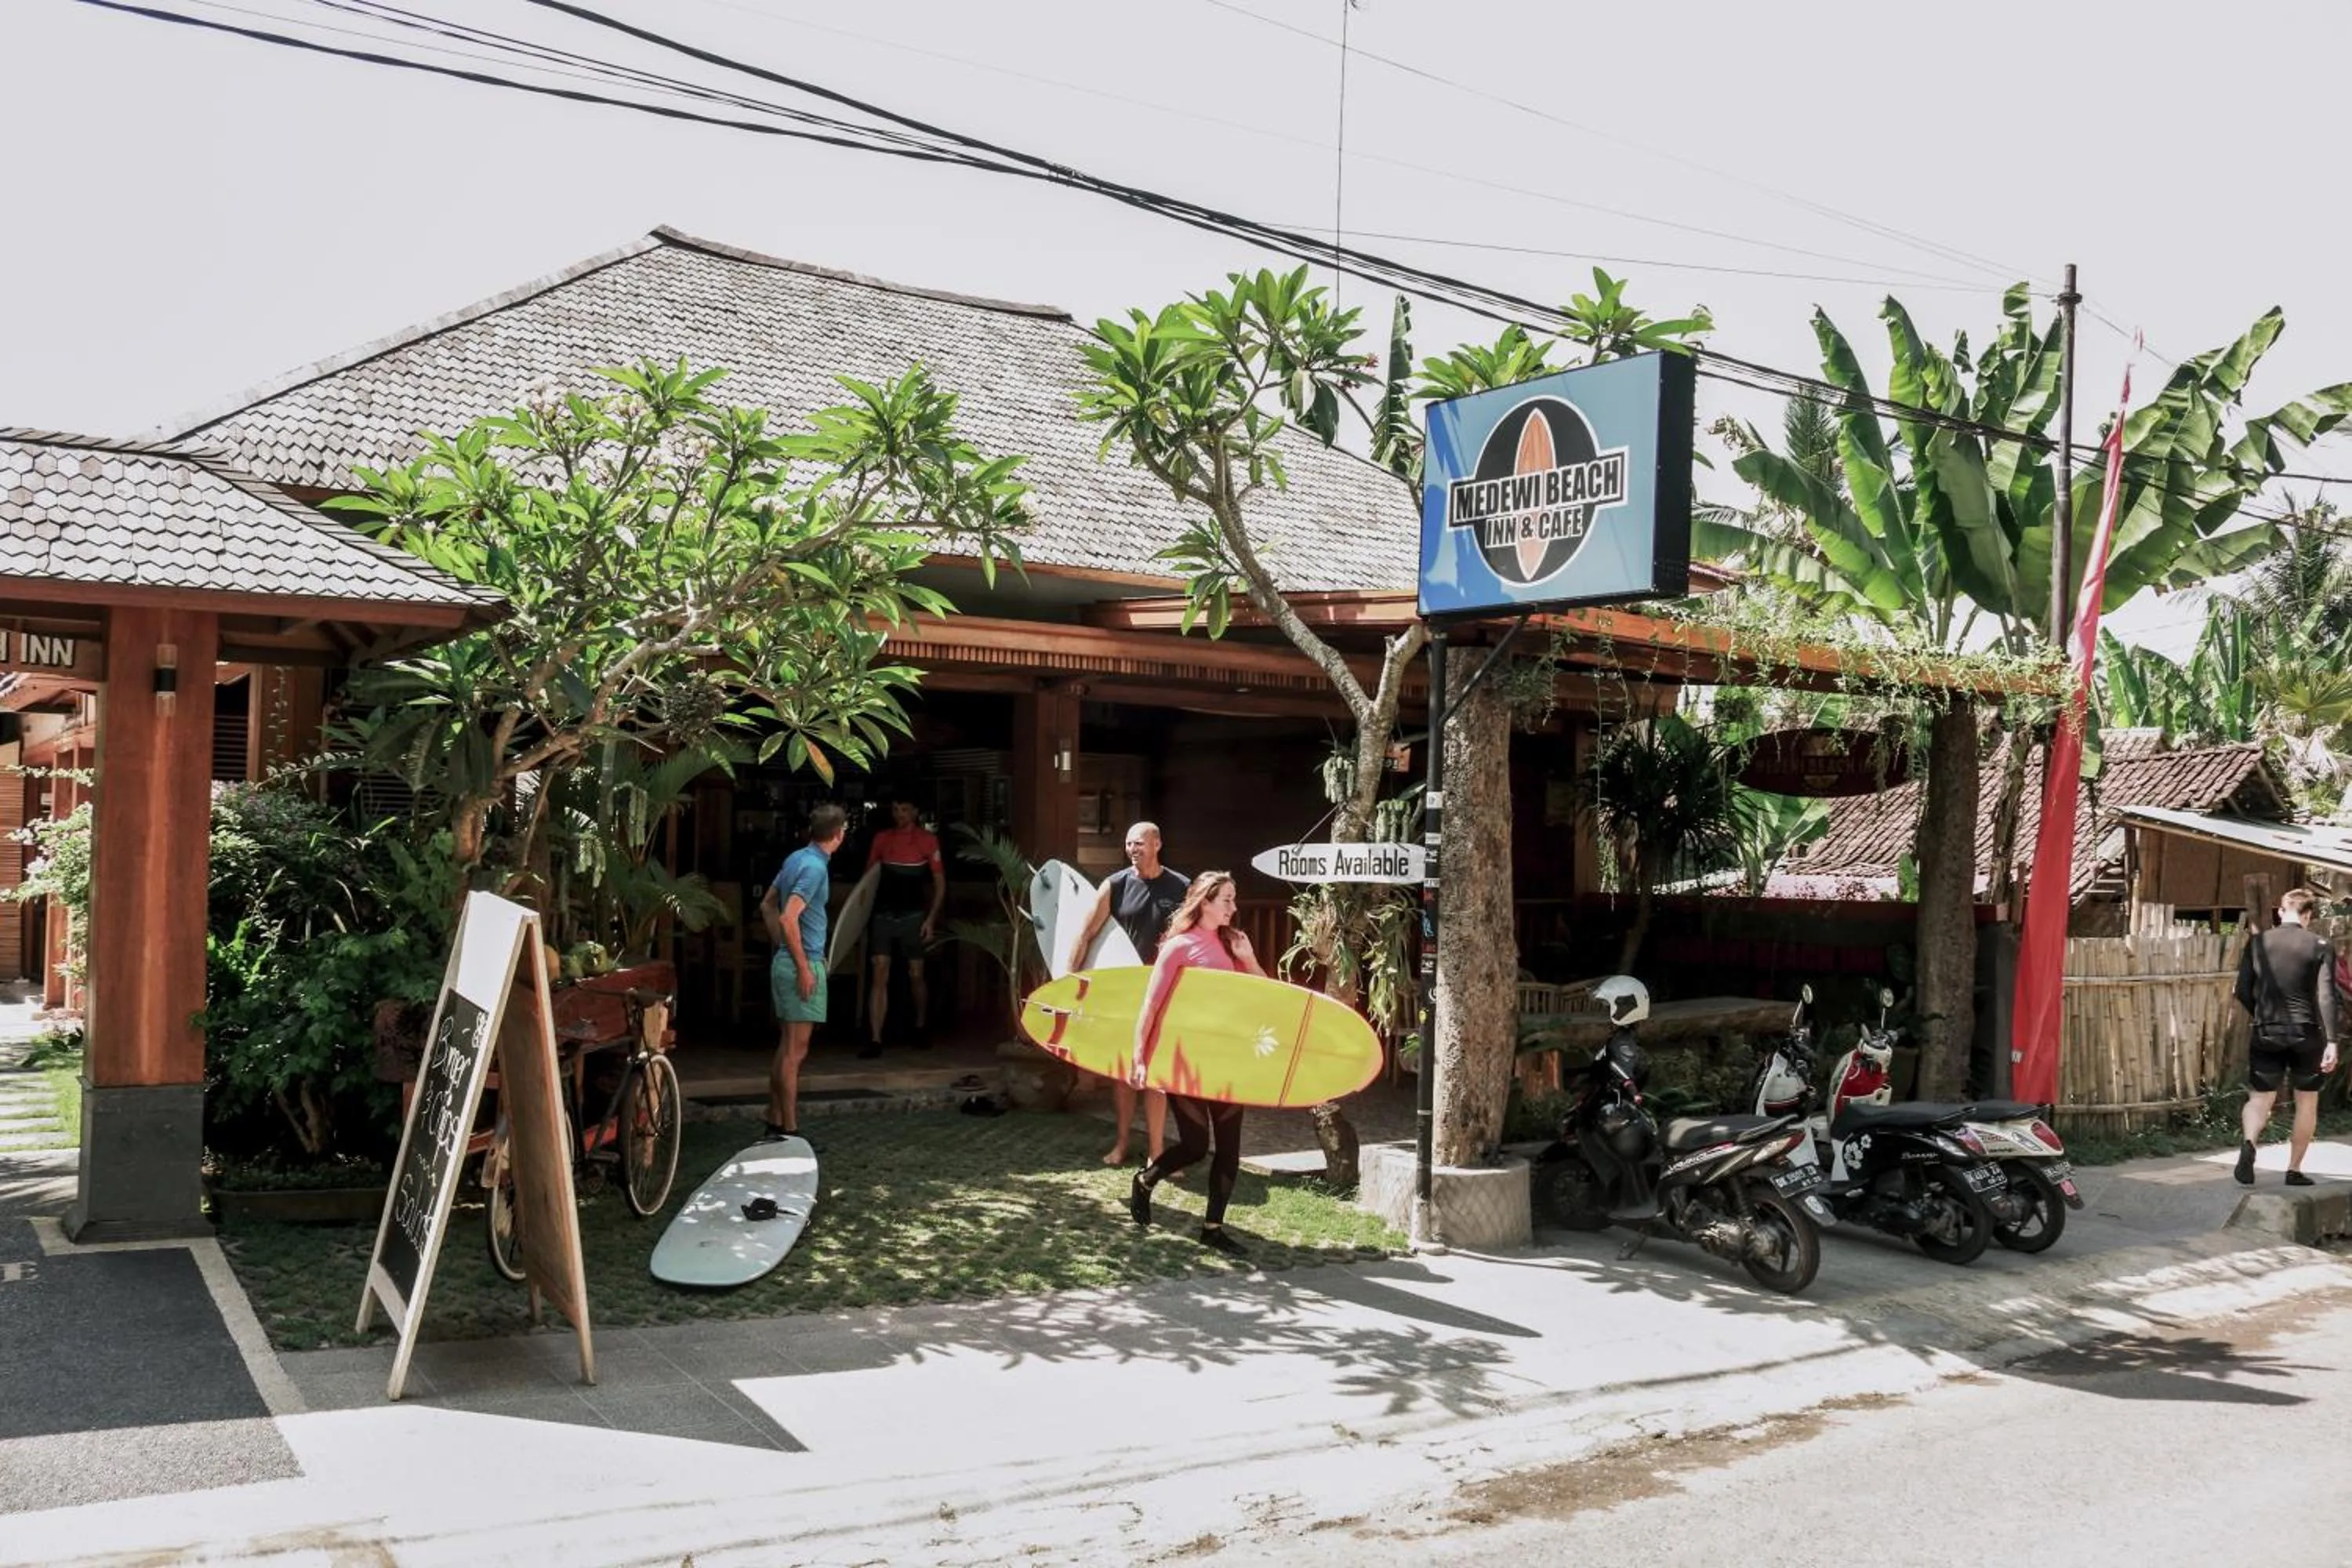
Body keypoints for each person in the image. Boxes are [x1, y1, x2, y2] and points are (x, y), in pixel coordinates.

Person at [1126, 870, 1264, 1257]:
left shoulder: (1230, 944)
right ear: (1205, 902)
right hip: (1185, 1059)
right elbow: (1150, 1004)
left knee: (1230, 1148)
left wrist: (1248, 958)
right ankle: (1146, 1180)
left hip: (1226, 1059)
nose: (1233, 908)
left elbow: (1264, 993)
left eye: (1234, 900)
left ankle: (1212, 1228)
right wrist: (1140, 1056)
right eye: (1227, 900)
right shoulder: (1179, 947)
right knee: (1195, 1144)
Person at [1068, 822, 1189, 1166]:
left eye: (1139, 843)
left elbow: (1192, 937)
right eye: (1128, 844)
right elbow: (1086, 932)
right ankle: (1121, 1144)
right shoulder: (1115, 885)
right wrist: (1071, 978)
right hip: (1124, 992)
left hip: (1165, 991)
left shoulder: (1181, 887)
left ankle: (1156, 1151)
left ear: (1157, 844)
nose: (1133, 849)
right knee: (1123, 1072)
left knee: (1156, 1075)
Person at [2233, 886, 2341, 1186]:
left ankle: (2249, 1143)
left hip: (2267, 1030)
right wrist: (2332, 1041)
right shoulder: (2320, 945)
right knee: (2307, 1101)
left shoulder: (2258, 943)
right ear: (2307, 916)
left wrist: (2262, 1016)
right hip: (2307, 1034)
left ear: (2281, 911)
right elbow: (2326, 996)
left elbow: (2241, 991)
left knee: (2259, 1097)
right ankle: (2293, 1171)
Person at [759, 803, 848, 1142]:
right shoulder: (814, 869)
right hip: (800, 963)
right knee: (796, 1052)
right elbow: (787, 916)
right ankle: (789, 1130)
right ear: (838, 834)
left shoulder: (796, 858)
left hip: (791, 959)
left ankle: (774, 1119)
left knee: (787, 1047)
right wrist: (801, 965)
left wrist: (783, 949)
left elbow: (767, 904)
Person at [863, 795, 945, 1059]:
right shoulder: (882, 839)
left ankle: (921, 1025)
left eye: (905, 809)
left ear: (915, 811)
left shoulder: (927, 841)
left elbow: (940, 884)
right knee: (879, 973)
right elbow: (868, 881)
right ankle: (875, 1038)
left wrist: (930, 919)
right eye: (896, 809)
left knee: (916, 974)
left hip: (914, 916)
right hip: (884, 915)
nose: (900, 814)